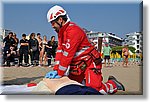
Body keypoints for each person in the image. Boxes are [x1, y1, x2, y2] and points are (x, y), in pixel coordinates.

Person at [45, 5, 125, 94]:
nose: (52, 26)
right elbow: (60, 51)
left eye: (53, 23)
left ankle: (112, 84)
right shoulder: (61, 33)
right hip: (78, 66)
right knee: (72, 87)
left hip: (90, 63)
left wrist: (59, 73)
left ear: (60, 20)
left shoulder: (73, 31)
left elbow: (67, 55)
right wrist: (56, 70)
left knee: (96, 91)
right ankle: (87, 82)